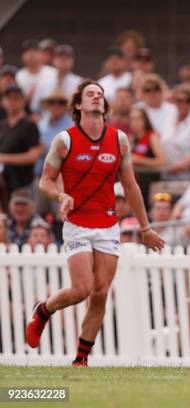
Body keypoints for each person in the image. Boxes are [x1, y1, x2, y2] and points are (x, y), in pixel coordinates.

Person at [26, 80, 164, 366]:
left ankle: (81, 359)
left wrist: (146, 227)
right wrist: (61, 194)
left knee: (100, 293)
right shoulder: (65, 139)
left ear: (105, 105)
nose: (96, 98)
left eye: (100, 95)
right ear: (78, 104)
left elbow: (131, 186)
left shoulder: (120, 140)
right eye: (90, 94)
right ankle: (43, 310)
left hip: (107, 223)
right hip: (77, 222)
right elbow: (45, 180)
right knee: (82, 290)